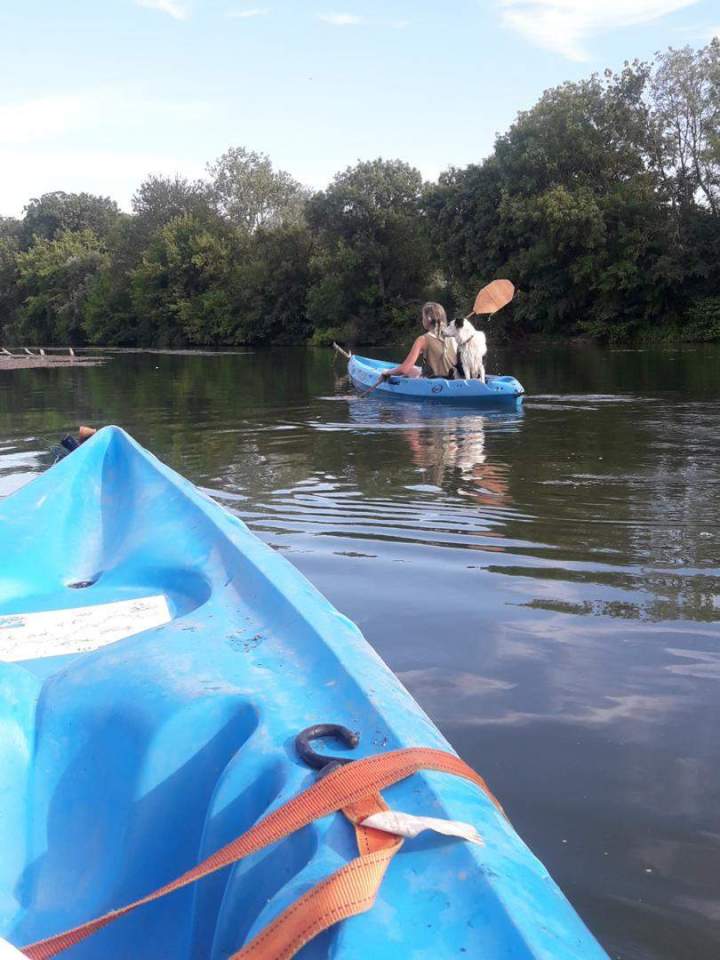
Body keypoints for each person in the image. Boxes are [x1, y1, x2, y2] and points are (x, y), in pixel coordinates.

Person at [379, 302, 458, 381]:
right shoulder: (455, 336)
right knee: (413, 369)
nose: (422, 320)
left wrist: (387, 372)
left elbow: (404, 369)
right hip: (454, 379)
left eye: (423, 317)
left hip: (433, 383)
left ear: (428, 318)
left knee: (409, 369)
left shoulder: (422, 339)